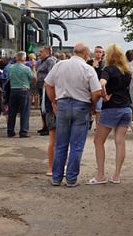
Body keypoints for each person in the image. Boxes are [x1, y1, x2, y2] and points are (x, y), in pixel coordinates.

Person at [44, 43, 102, 187]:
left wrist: (53, 101)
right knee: (76, 145)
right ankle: (71, 178)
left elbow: (48, 84)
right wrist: (92, 105)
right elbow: (96, 92)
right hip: (81, 105)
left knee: (60, 144)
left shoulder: (59, 65)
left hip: (62, 104)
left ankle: (56, 177)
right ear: (86, 54)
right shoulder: (88, 69)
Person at [88, 44, 133, 185]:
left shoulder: (108, 70)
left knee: (98, 141)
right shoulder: (127, 71)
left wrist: (104, 94)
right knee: (120, 141)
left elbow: (101, 82)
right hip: (126, 108)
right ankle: (116, 176)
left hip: (111, 108)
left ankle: (100, 175)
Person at [7, 51, 36, 138]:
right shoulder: (26, 68)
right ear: (24, 58)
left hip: (13, 90)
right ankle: (23, 132)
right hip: (24, 90)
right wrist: (33, 68)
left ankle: (10, 131)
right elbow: (34, 79)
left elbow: (8, 78)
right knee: (24, 112)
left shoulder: (10, 68)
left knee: (12, 112)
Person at [35, 46, 58, 135]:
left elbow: (51, 74)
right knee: (43, 107)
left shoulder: (50, 61)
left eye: (41, 52)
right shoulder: (40, 61)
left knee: (48, 107)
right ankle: (44, 126)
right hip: (40, 86)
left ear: (47, 52)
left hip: (47, 87)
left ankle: (50, 127)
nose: (39, 53)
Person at [87, 45, 106, 130]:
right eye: (97, 52)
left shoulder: (104, 63)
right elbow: (86, 74)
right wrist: (93, 67)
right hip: (90, 87)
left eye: (100, 52)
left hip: (99, 87)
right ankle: (88, 122)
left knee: (99, 108)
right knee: (89, 106)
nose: (98, 53)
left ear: (102, 53)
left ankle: (98, 126)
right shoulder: (89, 62)